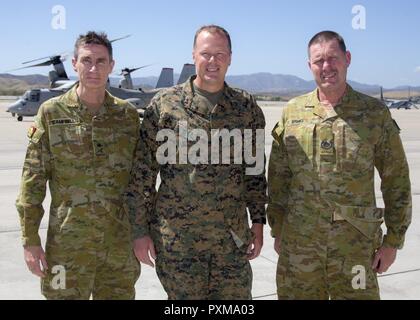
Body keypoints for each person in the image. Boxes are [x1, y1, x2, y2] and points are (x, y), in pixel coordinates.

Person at [267, 30, 412, 299]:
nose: (326, 66)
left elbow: (396, 180)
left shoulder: (374, 114)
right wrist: (278, 229)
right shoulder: (293, 112)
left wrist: (393, 241)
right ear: (309, 65)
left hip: (354, 249)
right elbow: (278, 177)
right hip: (301, 247)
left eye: (333, 58)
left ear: (347, 59)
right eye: (318, 60)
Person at [126, 25, 267, 299]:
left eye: (220, 54)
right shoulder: (165, 105)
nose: (212, 61)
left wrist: (258, 223)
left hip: (231, 239)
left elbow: (255, 171)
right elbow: (142, 175)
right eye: (205, 54)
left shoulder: (246, 107)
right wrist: (140, 231)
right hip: (178, 243)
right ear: (193, 55)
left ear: (230, 57)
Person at [16, 31, 141, 299]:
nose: (93, 68)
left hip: (118, 248)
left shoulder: (127, 116)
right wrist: (30, 241)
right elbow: (32, 180)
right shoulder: (52, 113)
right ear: (74, 64)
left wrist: (144, 233)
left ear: (112, 66)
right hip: (67, 247)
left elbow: (139, 182)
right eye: (86, 61)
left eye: (100, 61)